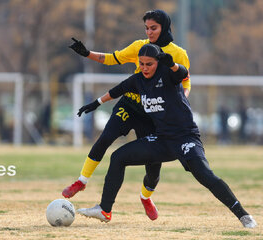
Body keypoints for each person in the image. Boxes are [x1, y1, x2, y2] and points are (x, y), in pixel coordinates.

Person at [76, 44, 257, 228]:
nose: (145, 68)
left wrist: (172, 65)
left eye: (149, 64)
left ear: (158, 63)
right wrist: (95, 103)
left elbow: (183, 74)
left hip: (185, 138)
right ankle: (105, 210)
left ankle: (243, 215)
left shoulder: (167, 74)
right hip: (162, 140)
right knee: (118, 157)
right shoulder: (138, 80)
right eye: (142, 64)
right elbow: (117, 91)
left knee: (204, 175)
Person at [63, 9, 190, 221]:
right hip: (130, 104)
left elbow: (185, 82)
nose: (149, 32)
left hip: (153, 112)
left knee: (153, 164)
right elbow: (113, 58)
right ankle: (81, 181)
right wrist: (87, 54)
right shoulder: (139, 46)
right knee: (105, 137)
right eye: (147, 28)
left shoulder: (178, 53)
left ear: (165, 27)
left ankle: (146, 197)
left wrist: (181, 100)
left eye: (154, 28)